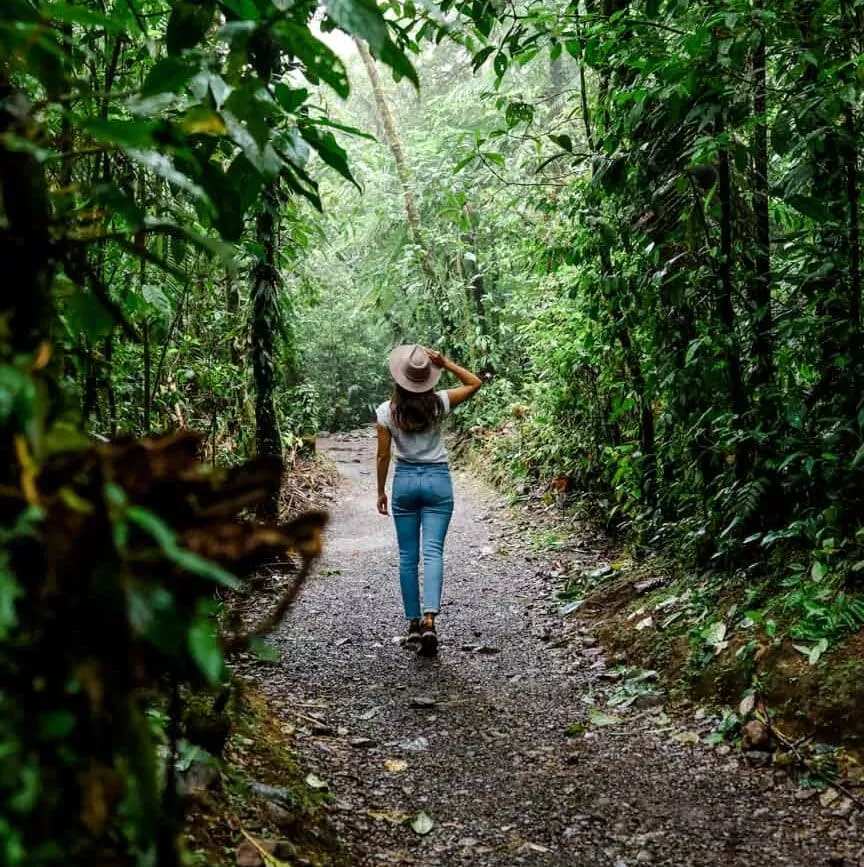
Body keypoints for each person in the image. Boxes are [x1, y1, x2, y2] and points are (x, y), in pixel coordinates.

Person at [375, 345, 482, 655]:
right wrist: (446, 363)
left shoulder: (386, 412)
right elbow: (474, 382)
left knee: (408, 556)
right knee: (433, 551)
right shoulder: (439, 403)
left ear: (399, 379)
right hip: (437, 482)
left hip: (405, 482)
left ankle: (411, 625)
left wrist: (381, 491)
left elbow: (383, 455)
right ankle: (430, 622)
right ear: (428, 379)